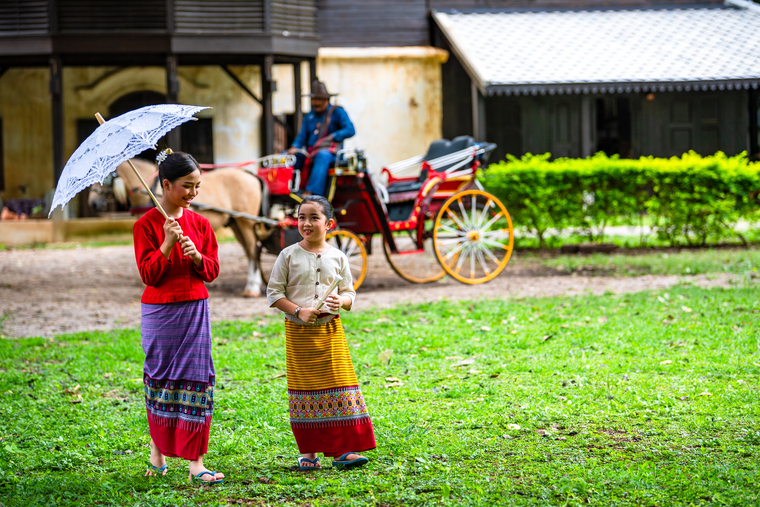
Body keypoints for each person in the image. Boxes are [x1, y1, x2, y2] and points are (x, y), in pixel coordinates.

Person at [132, 149, 224, 485]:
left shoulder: (200, 224)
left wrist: (198, 256)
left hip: (195, 308)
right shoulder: (145, 226)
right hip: (160, 312)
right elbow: (149, 275)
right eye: (187, 186)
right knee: (160, 382)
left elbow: (212, 270)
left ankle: (196, 462)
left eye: (197, 186)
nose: (193, 193)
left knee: (198, 381)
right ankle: (157, 456)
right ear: (166, 184)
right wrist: (167, 244)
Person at [267, 195, 376, 470]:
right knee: (305, 393)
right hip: (299, 333)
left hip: (330, 331)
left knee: (339, 389)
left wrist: (343, 302)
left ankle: (342, 450)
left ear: (329, 224)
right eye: (302, 217)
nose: (306, 223)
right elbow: (274, 293)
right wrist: (298, 311)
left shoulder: (339, 256)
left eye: (313, 218)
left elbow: (349, 291)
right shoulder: (287, 255)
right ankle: (310, 453)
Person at [287, 81, 356, 197]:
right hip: (311, 151)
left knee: (322, 156)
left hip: (331, 154)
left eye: (318, 99)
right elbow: (302, 136)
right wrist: (294, 147)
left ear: (326, 100)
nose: (315, 102)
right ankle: (287, 189)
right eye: (313, 99)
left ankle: (311, 192)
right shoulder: (309, 116)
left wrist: (333, 136)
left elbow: (350, 130)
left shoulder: (337, 112)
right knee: (290, 157)